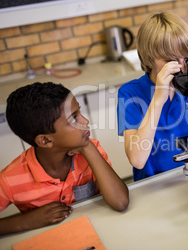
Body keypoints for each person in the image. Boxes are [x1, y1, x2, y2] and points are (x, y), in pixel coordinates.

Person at [0, 82, 129, 235]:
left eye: (79, 112)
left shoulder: (90, 149)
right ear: (46, 141)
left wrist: (87, 147)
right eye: (74, 119)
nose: (85, 121)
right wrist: (25, 222)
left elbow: (120, 202)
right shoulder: (10, 180)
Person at [117, 12, 188, 181]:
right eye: (170, 60)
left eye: (185, 58)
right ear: (148, 59)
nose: (180, 66)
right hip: (154, 183)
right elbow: (137, 160)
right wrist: (158, 100)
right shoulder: (130, 93)